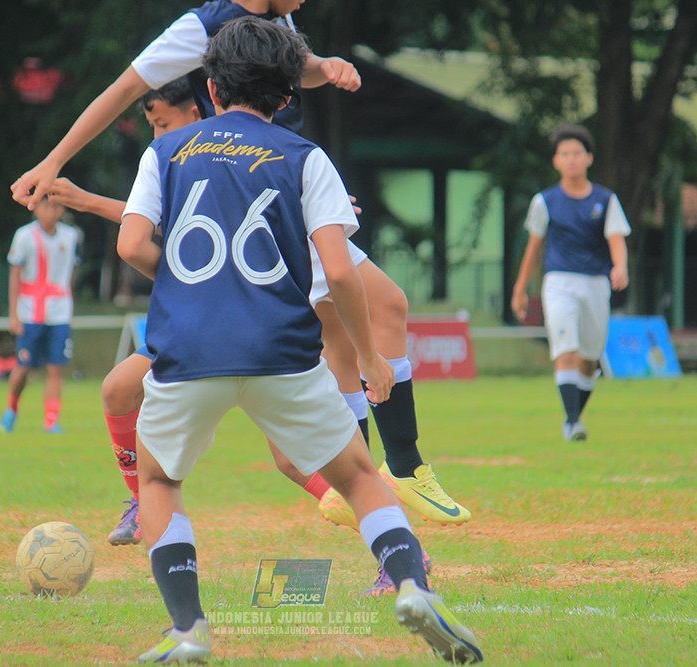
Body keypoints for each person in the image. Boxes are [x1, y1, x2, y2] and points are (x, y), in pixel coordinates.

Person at [115, 17, 482, 663]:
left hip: (187, 351)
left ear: (210, 85)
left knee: (159, 480)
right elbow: (339, 271)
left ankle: (188, 628)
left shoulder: (166, 152)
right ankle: (414, 587)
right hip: (279, 350)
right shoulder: (307, 158)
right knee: (362, 477)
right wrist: (370, 356)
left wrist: (189, 285)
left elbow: (131, 244)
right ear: (288, 96)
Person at [49, 79, 443, 597]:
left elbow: (371, 291)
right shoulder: (205, 155)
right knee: (121, 388)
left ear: (204, 101)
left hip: (250, 321)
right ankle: (401, 557)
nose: (161, 131)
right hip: (221, 321)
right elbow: (149, 224)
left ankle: (398, 548)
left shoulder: (241, 157)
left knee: (311, 465)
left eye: (164, 121)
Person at [511, 124, 631, 442]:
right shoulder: (545, 201)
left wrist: (621, 266)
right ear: (556, 161)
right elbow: (534, 247)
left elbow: (616, 238)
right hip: (559, 282)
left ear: (589, 158)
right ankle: (573, 421)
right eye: (565, 154)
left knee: (590, 358)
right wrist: (520, 288)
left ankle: (574, 417)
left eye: (577, 153)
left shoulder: (606, 200)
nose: (572, 159)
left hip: (595, 284)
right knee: (566, 350)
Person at [0, 196, 80, 434]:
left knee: (56, 367)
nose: (52, 211)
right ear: (36, 209)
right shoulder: (24, 236)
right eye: (46, 206)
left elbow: (70, 273)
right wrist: (13, 314)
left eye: (56, 206)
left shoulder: (71, 236)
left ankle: (51, 421)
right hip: (30, 312)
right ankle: (11, 410)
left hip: (60, 312)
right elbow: (15, 275)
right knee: (23, 367)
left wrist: (68, 302)